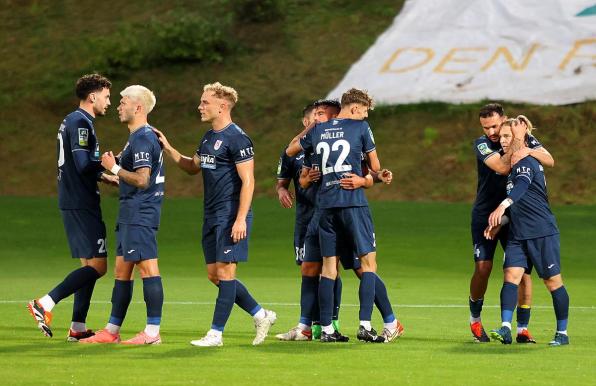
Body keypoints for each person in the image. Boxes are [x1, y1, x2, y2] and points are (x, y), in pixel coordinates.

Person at [154, 82, 276, 347]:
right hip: (210, 215)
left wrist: (241, 218)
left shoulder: (238, 138)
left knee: (226, 272)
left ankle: (216, 334)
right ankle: (261, 314)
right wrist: (169, 148)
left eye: (204, 102)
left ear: (222, 106)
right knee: (214, 275)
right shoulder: (209, 137)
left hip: (231, 215)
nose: (200, 106)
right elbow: (192, 167)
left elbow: (249, 181)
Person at [287, 88, 396, 343]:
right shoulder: (361, 128)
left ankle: (327, 329)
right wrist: (371, 178)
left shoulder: (319, 129)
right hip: (353, 204)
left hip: (325, 207)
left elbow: (291, 150)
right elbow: (376, 169)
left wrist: (312, 127)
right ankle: (365, 325)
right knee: (368, 264)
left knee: (328, 268)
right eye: (365, 111)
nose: (366, 115)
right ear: (356, 108)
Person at [27, 74, 116, 341]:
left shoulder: (73, 120)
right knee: (98, 267)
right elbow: (82, 164)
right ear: (93, 96)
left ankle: (77, 327)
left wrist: (103, 176)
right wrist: (110, 163)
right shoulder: (80, 122)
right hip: (81, 201)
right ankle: (44, 303)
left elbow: (82, 166)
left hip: (73, 198)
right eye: (107, 96)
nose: (109, 102)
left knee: (87, 265)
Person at [80, 85, 165, 344]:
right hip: (130, 212)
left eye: (123, 101)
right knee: (121, 271)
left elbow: (142, 179)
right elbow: (131, 179)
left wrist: (114, 167)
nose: (118, 105)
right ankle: (111, 331)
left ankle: (152, 333)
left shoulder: (142, 137)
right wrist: (108, 176)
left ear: (138, 107)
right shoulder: (137, 136)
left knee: (148, 269)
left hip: (141, 212)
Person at [468, 103, 554, 343]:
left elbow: (549, 160)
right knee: (483, 267)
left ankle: (522, 329)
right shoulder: (482, 144)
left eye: (495, 125)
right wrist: (518, 141)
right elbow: (503, 167)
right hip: (486, 213)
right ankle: (475, 320)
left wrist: (526, 145)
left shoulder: (525, 138)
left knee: (522, 272)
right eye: (486, 127)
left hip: (516, 215)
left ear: (504, 119)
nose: (491, 132)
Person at [486, 119, 569, 346]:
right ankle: (505, 328)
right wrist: (501, 222)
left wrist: (502, 205)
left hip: (541, 232)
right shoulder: (513, 168)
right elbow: (520, 204)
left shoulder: (526, 162)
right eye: (501, 137)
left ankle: (562, 333)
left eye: (507, 136)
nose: (502, 141)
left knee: (553, 282)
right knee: (511, 276)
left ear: (518, 139)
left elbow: (522, 187)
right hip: (518, 234)